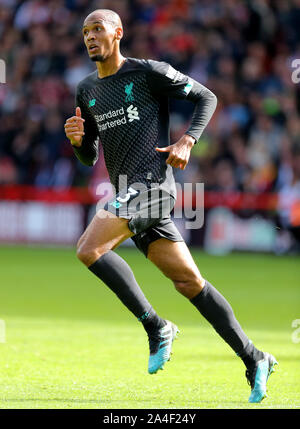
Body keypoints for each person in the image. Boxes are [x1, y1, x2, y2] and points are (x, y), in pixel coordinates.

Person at [64, 8, 277, 403]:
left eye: (98, 29)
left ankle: (156, 326)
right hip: (127, 192)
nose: (90, 37)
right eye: (85, 32)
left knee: (88, 249)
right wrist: (79, 143)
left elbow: (206, 97)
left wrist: (187, 140)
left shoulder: (147, 73)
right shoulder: (86, 90)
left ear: (118, 33)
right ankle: (255, 357)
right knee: (189, 283)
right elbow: (90, 156)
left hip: (153, 188)